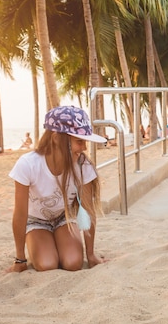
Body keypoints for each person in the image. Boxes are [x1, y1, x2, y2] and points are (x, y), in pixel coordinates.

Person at [7, 106, 108, 272]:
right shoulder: (28, 164)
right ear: (56, 138)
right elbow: (20, 214)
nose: (84, 148)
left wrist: (90, 255)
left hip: (64, 218)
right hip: (36, 222)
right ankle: (42, 242)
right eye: (79, 141)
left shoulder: (83, 165)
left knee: (73, 263)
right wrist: (20, 259)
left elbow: (88, 211)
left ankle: (58, 242)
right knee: (47, 265)